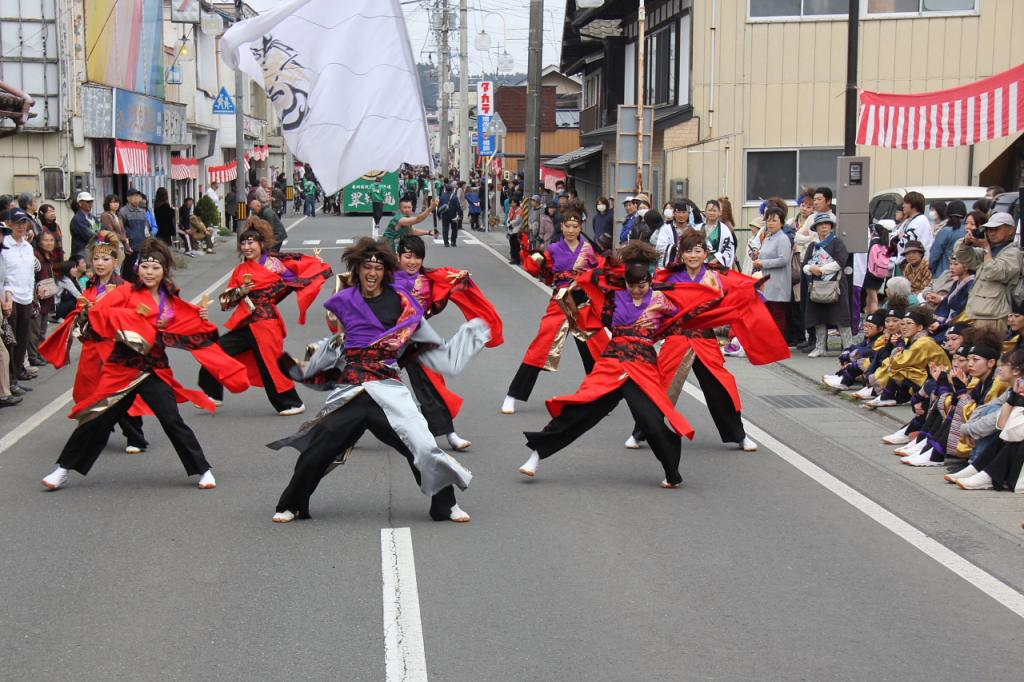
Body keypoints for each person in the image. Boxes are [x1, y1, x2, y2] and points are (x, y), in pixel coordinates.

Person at [518, 240, 786, 483]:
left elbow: (698, 308)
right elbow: (592, 282)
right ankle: (536, 456)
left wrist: (746, 292)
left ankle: (672, 472)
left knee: (653, 421)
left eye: (641, 285)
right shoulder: (614, 297)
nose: (636, 290)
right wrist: (579, 283)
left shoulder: (663, 300)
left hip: (643, 367)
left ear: (650, 281)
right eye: (632, 285)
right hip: (611, 363)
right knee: (580, 411)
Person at [268, 237, 489, 524]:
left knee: (421, 445)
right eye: (366, 266)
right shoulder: (344, 300)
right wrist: (306, 365)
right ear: (357, 269)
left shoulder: (401, 301)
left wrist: (465, 342)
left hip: (387, 388)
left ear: (386, 271)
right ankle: (292, 504)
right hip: (352, 390)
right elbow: (338, 342)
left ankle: (445, 506)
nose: (372, 272)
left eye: (378, 267)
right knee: (318, 448)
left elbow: (425, 340)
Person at [40, 238, 250, 491]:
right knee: (97, 419)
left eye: (156, 269)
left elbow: (186, 325)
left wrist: (198, 318)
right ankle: (62, 469)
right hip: (121, 367)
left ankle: (202, 469)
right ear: (137, 268)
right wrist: (132, 320)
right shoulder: (125, 293)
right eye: (145, 268)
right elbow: (99, 315)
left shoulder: (169, 299)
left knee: (171, 419)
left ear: (164, 271)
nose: (149, 273)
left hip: (152, 369)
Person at [199, 217, 331, 415]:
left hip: (265, 322)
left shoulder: (275, 265)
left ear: (261, 244)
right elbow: (226, 303)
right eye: (243, 243)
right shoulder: (240, 270)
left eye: (251, 242)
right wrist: (240, 291)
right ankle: (212, 393)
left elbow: (297, 280)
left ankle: (291, 403)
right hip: (246, 323)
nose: (246, 247)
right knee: (215, 352)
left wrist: (317, 267)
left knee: (270, 366)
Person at [39, 231, 149, 453]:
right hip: (92, 347)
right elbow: (78, 322)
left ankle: (135, 437)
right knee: (87, 391)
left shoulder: (126, 288)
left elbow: (135, 318)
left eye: (105, 259)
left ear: (115, 261)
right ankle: (97, 430)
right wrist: (84, 314)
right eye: (96, 259)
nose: (100, 263)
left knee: (120, 392)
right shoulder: (88, 288)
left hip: (116, 347)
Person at [393, 235, 504, 450]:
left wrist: (459, 281)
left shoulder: (428, 279)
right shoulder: (386, 278)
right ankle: (346, 430)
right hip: (385, 341)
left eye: (417, 257)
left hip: (416, 339)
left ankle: (449, 434)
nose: (412, 261)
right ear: (398, 256)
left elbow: (448, 285)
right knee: (367, 386)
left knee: (431, 386)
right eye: (407, 256)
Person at [503, 211, 601, 414]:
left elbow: (600, 273)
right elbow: (544, 274)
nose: (571, 230)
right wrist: (535, 260)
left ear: (581, 227)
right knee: (541, 346)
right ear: (562, 227)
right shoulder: (554, 249)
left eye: (575, 226)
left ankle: (598, 394)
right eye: (568, 226)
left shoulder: (590, 250)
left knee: (592, 348)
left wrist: (586, 280)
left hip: (584, 302)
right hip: (561, 301)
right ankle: (513, 395)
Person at [954, 212, 1021, 333]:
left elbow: (995, 272)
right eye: (989, 230)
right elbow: (962, 257)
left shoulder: (1013, 253)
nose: (992, 233)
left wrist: (986, 248)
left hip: (995, 316)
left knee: (988, 350)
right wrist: (966, 242)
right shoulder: (991, 250)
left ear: (1011, 230)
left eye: (996, 229)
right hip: (978, 312)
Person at [801, 212, 853, 358]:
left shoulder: (837, 243)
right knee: (818, 317)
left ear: (831, 227)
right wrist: (811, 269)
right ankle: (820, 347)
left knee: (841, 317)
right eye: (820, 225)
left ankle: (848, 348)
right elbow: (805, 265)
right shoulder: (812, 246)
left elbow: (841, 262)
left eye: (827, 224)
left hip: (836, 285)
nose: (824, 227)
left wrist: (821, 270)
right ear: (816, 228)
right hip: (817, 286)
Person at [2, 209, 39, 389]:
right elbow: (4, 276)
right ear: (8, 224)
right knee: (11, 341)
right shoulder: (4, 246)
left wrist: (31, 297)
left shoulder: (28, 246)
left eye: (24, 223)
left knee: (22, 341)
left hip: (26, 297)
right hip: (10, 298)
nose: (21, 226)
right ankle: (8, 381)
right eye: (17, 223)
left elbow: (31, 273)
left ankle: (15, 378)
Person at [752, 206, 792, 339]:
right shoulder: (769, 237)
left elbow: (783, 260)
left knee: (778, 315)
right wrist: (758, 256)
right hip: (768, 282)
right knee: (768, 314)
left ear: (781, 222)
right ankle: (770, 342)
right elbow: (766, 255)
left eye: (774, 220)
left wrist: (763, 263)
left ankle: (779, 342)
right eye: (768, 220)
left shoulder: (783, 238)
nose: (770, 223)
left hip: (778, 282)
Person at [28, 231, 60, 366]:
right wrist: (36, 289)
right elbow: (29, 275)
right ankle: (33, 356)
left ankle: (39, 352)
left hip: (47, 297)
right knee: (34, 329)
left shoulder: (49, 256)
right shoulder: (35, 255)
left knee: (42, 328)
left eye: (51, 240)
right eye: (46, 240)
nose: (49, 243)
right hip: (37, 298)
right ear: (39, 242)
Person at [118, 189, 151, 276]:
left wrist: (147, 242)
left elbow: (145, 229)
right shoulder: (123, 211)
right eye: (134, 196)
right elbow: (121, 230)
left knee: (140, 270)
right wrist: (126, 244)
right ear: (128, 198)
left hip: (141, 245)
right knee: (129, 271)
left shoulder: (142, 212)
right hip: (130, 246)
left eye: (138, 196)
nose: (137, 198)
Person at [895, 191, 933, 263]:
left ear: (914, 206)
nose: (903, 205)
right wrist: (898, 237)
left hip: (916, 264)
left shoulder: (920, 221)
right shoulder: (909, 220)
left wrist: (900, 237)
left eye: (906, 203)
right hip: (906, 262)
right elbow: (896, 236)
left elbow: (909, 243)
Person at [863, 223, 891, 314]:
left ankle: (875, 317)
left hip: (871, 274)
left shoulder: (872, 243)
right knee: (871, 296)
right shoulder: (884, 244)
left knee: (873, 298)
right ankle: (867, 314)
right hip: (881, 274)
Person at [703, 199, 736, 269]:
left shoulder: (724, 229)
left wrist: (718, 259)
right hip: (700, 265)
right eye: (709, 210)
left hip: (717, 266)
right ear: (705, 212)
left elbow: (728, 248)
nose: (712, 213)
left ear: (719, 213)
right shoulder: (698, 228)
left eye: (714, 211)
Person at [69, 191, 96, 258]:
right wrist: (103, 238)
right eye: (87, 202)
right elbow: (90, 236)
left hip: (92, 252)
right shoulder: (77, 220)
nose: (90, 204)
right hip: (82, 255)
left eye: (91, 202)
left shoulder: (93, 218)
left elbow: (101, 230)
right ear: (80, 203)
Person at [506, 196, 524, 265]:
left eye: (513, 203)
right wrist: (508, 223)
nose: (512, 204)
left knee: (516, 245)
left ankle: (517, 259)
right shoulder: (511, 209)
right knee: (512, 245)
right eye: (511, 203)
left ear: (516, 203)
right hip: (511, 229)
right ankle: (513, 258)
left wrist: (510, 224)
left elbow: (518, 220)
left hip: (517, 229)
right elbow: (508, 217)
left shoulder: (519, 210)